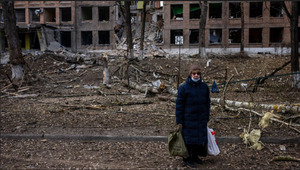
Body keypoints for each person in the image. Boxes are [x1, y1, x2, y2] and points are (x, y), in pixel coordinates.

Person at [175, 64, 210, 168]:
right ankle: (187, 159)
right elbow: (179, 105)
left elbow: (207, 103)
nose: (196, 75)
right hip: (188, 119)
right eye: (194, 73)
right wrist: (179, 120)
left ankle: (195, 157)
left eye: (198, 74)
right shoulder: (184, 88)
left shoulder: (204, 87)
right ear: (190, 74)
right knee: (188, 140)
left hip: (200, 118)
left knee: (198, 140)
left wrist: (207, 117)